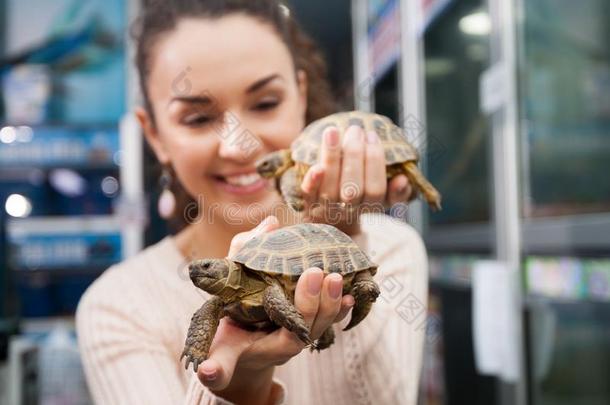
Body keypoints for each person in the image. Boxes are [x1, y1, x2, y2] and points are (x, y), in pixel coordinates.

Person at [76, 1, 429, 404]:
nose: (238, 145)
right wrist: (243, 386)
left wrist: (343, 234)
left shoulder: (393, 248)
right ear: (154, 135)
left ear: (301, 96)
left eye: (265, 103)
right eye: (197, 118)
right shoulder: (117, 308)